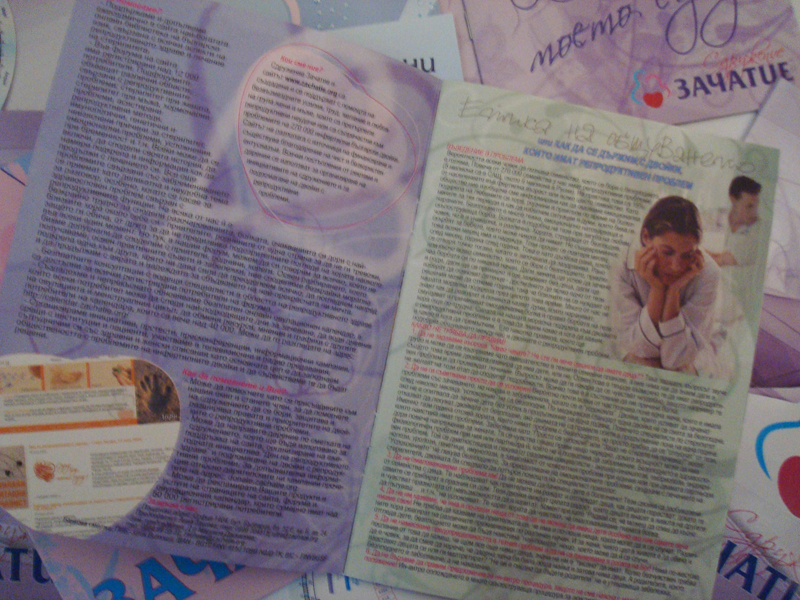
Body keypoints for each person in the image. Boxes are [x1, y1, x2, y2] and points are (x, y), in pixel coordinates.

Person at [611, 196, 721, 373]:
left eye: (687, 255)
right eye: (667, 252)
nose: (676, 266)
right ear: (646, 237)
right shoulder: (621, 264)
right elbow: (638, 347)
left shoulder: (708, 272)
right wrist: (657, 290)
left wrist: (673, 291)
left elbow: (676, 359)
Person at [709, 176, 762, 267]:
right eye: (749, 206)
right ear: (733, 200)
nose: (754, 213)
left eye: (756, 206)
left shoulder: (759, 231)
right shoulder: (709, 218)